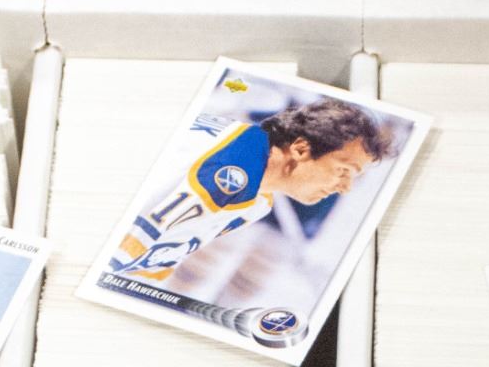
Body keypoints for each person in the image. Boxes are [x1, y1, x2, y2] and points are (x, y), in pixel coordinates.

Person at [111, 96, 393, 282]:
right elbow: (113, 251)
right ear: (300, 149)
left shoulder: (258, 198)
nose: (345, 188)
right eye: (344, 171)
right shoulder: (220, 174)